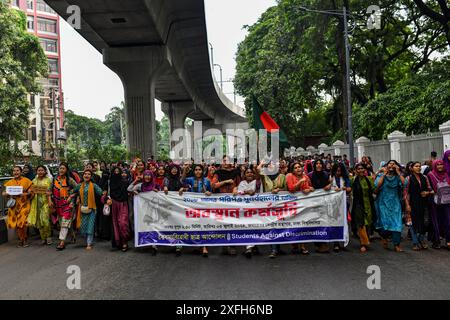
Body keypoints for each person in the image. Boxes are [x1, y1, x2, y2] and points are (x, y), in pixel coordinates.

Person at [181, 164, 213, 257]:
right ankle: (199, 244)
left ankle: (204, 247)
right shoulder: (191, 179)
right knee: (196, 226)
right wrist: (184, 170)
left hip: (204, 206)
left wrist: (208, 193)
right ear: (194, 171)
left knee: (203, 225)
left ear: (202, 171)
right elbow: (183, 180)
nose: (198, 171)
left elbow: (211, 193)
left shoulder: (207, 181)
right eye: (196, 170)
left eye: (199, 170)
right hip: (193, 206)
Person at [375, 160, 405, 252]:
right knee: (384, 223)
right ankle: (384, 237)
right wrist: (384, 174)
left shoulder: (398, 177)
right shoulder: (381, 176)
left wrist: (398, 172)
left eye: (394, 164)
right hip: (383, 203)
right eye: (390, 164)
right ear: (386, 166)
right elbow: (377, 186)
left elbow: (405, 183)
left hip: (395, 203)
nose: (392, 165)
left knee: (397, 223)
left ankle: (396, 244)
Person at [73, 169, 106, 250]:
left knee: (90, 226)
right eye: (85, 174)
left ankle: (89, 243)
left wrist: (105, 195)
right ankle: (87, 239)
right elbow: (73, 191)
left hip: (92, 209)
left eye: (88, 174)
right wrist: (72, 196)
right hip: (82, 209)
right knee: (83, 226)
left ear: (91, 176)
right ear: (83, 175)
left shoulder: (94, 185)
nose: (86, 175)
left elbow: (101, 192)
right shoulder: (79, 185)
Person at [285, 162, 313, 257]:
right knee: (294, 224)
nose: (298, 169)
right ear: (292, 170)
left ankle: (302, 246)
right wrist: (300, 182)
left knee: (303, 224)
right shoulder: (289, 176)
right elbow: (291, 189)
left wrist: (310, 189)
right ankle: (294, 244)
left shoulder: (306, 177)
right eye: (295, 168)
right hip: (293, 204)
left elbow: (310, 187)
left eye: (299, 167)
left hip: (303, 204)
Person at [2, 166, 33, 248]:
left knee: (22, 222)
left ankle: (24, 239)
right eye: (14, 171)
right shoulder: (9, 182)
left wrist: (25, 194)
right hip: (14, 205)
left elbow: (31, 192)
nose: (16, 172)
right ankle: (21, 239)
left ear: (21, 171)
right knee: (16, 223)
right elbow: (4, 192)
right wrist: (5, 194)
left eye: (17, 170)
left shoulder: (27, 181)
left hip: (24, 204)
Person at [404, 161, 432, 251]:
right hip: (413, 203)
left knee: (424, 222)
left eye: (419, 166)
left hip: (424, 204)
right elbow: (405, 193)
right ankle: (415, 242)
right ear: (412, 168)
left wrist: (427, 192)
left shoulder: (425, 177)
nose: (418, 168)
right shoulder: (408, 178)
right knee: (413, 224)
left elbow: (431, 190)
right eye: (416, 166)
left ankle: (422, 240)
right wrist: (407, 205)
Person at [233, 167, 258, 258]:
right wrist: (246, 191)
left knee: (254, 227)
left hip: (256, 209)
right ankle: (249, 247)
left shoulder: (257, 182)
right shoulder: (242, 183)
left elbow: (258, 191)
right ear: (245, 175)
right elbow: (238, 193)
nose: (249, 174)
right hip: (244, 210)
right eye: (247, 172)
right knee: (247, 227)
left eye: (251, 172)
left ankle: (251, 246)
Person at [351, 163, 376, 253]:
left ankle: (366, 240)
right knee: (361, 223)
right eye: (359, 169)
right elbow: (348, 188)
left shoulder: (369, 180)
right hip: (358, 204)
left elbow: (374, 189)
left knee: (368, 223)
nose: (361, 170)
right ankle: (363, 243)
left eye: (362, 168)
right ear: (356, 171)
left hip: (368, 204)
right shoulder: (353, 180)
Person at [308, 159, 332, 253]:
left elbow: (331, 184)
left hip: (324, 201)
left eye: (320, 164)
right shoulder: (309, 175)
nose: (318, 165)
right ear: (314, 165)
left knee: (324, 221)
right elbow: (306, 185)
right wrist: (309, 187)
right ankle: (318, 243)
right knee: (315, 221)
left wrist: (329, 185)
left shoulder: (326, 174)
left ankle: (324, 242)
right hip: (313, 202)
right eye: (317, 164)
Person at [53, 163, 78, 251]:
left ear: (66, 170)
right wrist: (49, 200)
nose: (61, 170)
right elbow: (49, 190)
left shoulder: (70, 180)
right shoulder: (55, 179)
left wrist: (71, 197)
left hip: (68, 205)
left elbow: (78, 189)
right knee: (63, 223)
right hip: (58, 205)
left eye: (63, 168)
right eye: (60, 168)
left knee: (64, 223)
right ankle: (73, 235)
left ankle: (62, 242)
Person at [427, 159, 450, 250]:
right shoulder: (430, 175)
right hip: (435, 202)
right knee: (436, 221)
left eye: (442, 164)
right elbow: (428, 187)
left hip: (447, 201)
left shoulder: (447, 173)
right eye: (438, 165)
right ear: (434, 166)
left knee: (448, 221)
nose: (440, 166)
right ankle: (436, 241)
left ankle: (448, 241)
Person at [106, 167, 131, 252]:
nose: (116, 173)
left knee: (123, 223)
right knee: (115, 224)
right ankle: (119, 242)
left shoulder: (125, 182)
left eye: (118, 172)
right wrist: (107, 198)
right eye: (114, 171)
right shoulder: (110, 183)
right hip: (114, 204)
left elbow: (130, 189)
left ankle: (125, 241)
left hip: (123, 204)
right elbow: (106, 193)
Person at [27, 165, 53, 245]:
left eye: (42, 170)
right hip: (36, 203)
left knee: (45, 220)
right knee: (39, 222)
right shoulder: (34, 180)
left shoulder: (48, 180)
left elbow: (49, 191)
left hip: (45, 202)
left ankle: (48, 237)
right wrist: (30, 191)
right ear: (36, 171)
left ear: (45, 171)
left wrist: (49, 201)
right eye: (39, 170)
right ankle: (43, 238)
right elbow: (31, 190)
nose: (40, 172)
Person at [330, 162, 352, 252]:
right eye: (336, 171)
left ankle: (343, 241)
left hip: (344, 202)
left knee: (344, 221)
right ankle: (336, 243)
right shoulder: (331, 178)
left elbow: (349, 189)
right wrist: (333, 189)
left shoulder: (345, 178)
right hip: (334, 203)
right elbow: (327, 188)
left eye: (340, 171)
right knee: (335, 221)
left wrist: (345, 189)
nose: (338, 173)